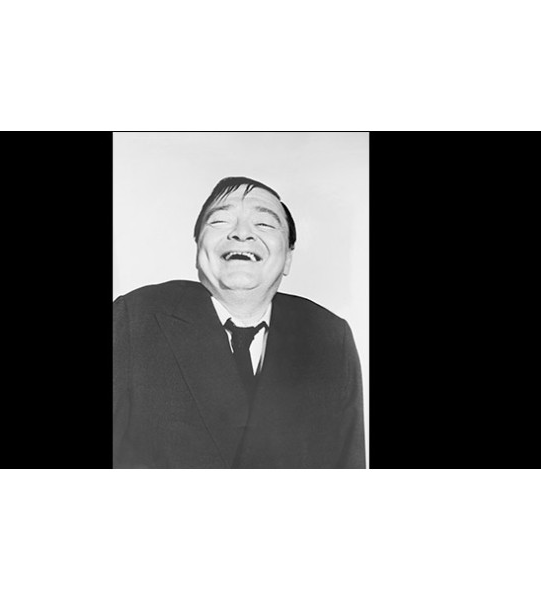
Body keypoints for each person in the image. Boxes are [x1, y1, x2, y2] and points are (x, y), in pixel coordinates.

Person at [113, 176, 365, 468]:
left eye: (264, 224)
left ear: (288, 258)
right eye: (220, 221)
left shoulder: (328, 336)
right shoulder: (135, 318)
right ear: (198, 249)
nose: (242, 233)